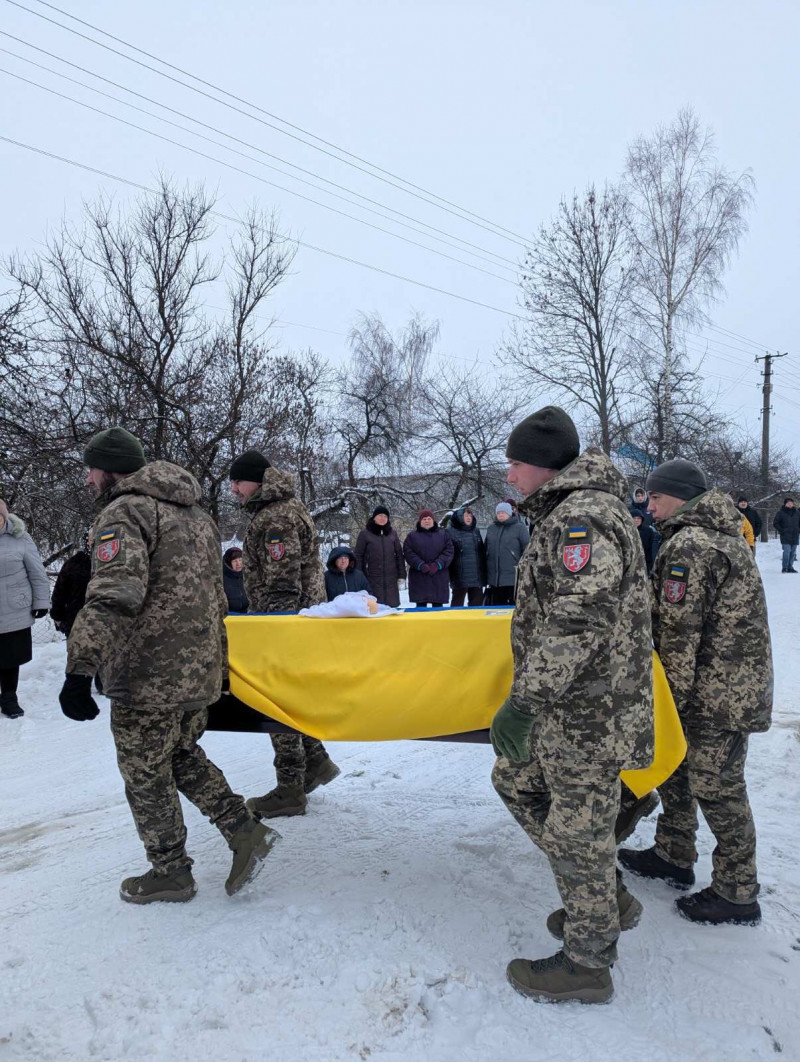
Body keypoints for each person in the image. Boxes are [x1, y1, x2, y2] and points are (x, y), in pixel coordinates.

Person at [60, 427, 276, 903]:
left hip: (149, 674)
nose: (89, 479)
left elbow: (116, 592)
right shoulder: (196, 514)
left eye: (91, 469)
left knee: (144, 771)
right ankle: (244, 831)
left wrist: (80, 667)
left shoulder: (125, 512)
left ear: (109, 467)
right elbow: (217, 595)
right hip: (197, 668)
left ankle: (170, 871)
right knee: (178, 755)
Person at [490, 406, 653, 1005]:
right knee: (516, 782)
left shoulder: (583, 518)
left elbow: (579, 617)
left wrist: (525, 702)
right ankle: (604, 898)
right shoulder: (573, 512)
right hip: (576, 710)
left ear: (540, 464)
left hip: (587, 714)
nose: (509, 476)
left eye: (513, 464)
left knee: (577, 832)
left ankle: (587, 961)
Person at [619, 458, 773, 927]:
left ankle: (736, 891)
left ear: (680, 497)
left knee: (719, 789)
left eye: (655, 497)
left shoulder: (691, 547)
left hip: (716, 697)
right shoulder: (714, 537)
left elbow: (678, 637)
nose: (648, 506)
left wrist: (667, 703)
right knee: (679, 774)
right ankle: (673, 853)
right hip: (724, 689)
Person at [230, 449, 340, 818]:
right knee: (291, 700)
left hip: (285, 623)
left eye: (238, 481)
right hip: (294, 621)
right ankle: (317, 762)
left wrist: (274, 631)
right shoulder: (279, 508)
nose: (234, 489)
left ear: (256, 481)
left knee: (277, 703)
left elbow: (283, 582)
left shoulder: (275, 516)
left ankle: (290, 789)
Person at [0, 498, 50, 719]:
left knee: (10, 657)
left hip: (14, 610)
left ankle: (9, 697)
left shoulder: (20, 538)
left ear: (4, 517)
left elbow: (37, 573)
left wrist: (41, 602)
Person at [354, 506, 406, 607]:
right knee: (373, 609)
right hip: (371, 578)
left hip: (391, 580)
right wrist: (359, 576)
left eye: (385, 516)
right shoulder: (365, 534)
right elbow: (358, 556)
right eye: (380, 515)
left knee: (391, 610)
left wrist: (401, 575)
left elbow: (399, 555)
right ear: (374, 517)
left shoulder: (392, 534)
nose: (383, 518)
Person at [403, 510, 454, 608]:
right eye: (424, 519)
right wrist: (420, 565)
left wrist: (437, 564)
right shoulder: (412, 536)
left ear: (433, 520)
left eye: (429, 519)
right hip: (419, 577)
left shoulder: (443, 535)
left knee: (438, 609)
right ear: (420, 521)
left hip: (439, 576)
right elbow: (408, 552)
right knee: (421, 609)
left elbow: (449, 551)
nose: (427, 521)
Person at [484, 502, 530, 605]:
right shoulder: (491, 528)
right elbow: (486, 548)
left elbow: (527, 549)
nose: (500, 514)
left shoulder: (519, 528)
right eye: (498, 512)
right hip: (495, 579)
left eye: (503, 512)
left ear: (509, 513)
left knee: (513, 609)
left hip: (513, 578)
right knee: (496, 611)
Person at [447, 506, 487, 607]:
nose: (469, 517)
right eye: (466, 515)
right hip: (459, 576)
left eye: (470, 515)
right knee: (457, 606)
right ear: (460, 517)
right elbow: (447, 554)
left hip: (476, 577)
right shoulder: (450, 532)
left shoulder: (476, 531)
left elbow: (481, 552)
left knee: (477, 606)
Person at [773, 497, 800, 572]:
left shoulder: (797, 512)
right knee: (787, 551)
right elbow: (775, 523)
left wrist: (798, 530)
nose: (790, 504)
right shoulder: (780, 513)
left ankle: (790, 567)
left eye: (791, 503)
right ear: (785, 504)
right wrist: (782, 530)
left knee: (793, 552)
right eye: (788, 503)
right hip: (785, 535)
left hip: (795, 535)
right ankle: (784, 567)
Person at [631, 509, 660, 574]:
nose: (636, 520)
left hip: (645, 562)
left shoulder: (648, 531)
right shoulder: (626, 530)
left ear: (642, 519)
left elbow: (652, 548)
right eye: (634, 518)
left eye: (638, 518)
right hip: (630, 562)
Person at [222, 546, 249, 613]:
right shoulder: (222, 579)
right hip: (230, 617)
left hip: (249, 616)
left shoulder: (248, 575)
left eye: (240, 560)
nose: (238, 564)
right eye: (234, 561)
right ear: (228, 563)